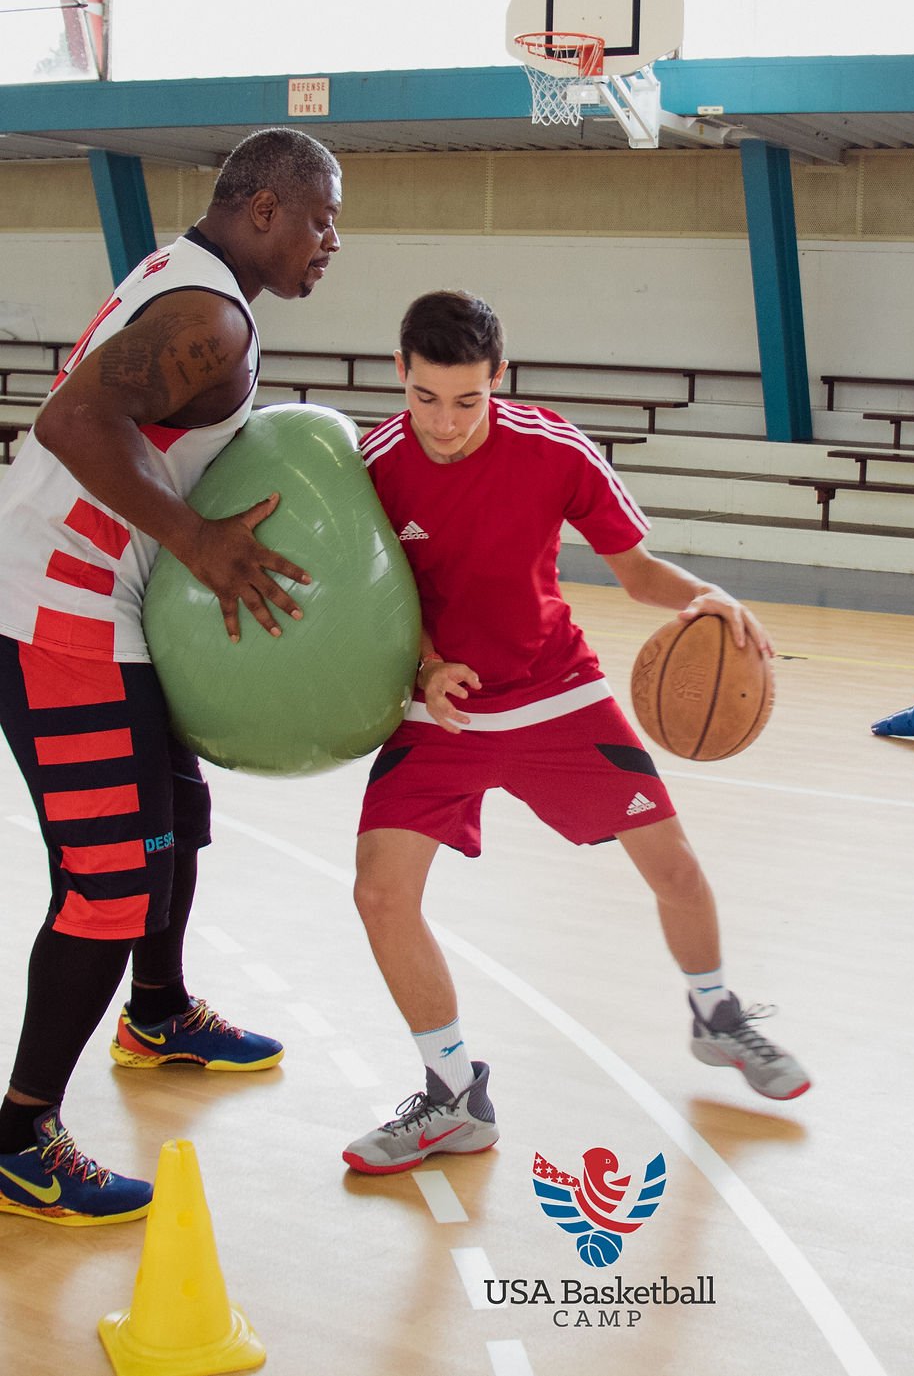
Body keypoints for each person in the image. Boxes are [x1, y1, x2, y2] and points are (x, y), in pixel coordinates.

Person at [342, 289, 809, 1177]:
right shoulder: (371, 461)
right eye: (426, 397)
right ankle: (454, 1096)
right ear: (400, 373)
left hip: (556, 689)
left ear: (499, 380)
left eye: (468, 399)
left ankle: (717, 1015)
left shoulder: (553, 448)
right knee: (379, 891)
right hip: (440, 704)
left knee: (674, 867)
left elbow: (634, 572)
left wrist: (706, 596)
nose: (444, 423)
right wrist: (422, 668)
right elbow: (367, 598)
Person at [0, 128, 342, 1225]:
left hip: (112, 611)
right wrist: (196, 541)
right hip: (59, 614)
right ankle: (17, 1138)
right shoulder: (210, 315)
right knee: (107, 888)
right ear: (261, 210)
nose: (333, 242)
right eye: (321, 218)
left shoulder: (188, 276)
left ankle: (159, 1011)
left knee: (178, 814)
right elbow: (72, 420)